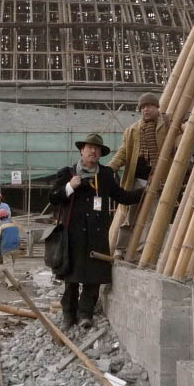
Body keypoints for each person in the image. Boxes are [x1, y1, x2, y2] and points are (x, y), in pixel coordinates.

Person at [49, 133, 143, 329]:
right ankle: (68, 315)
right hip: (72, 235)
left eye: (96, 148)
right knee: (71, 279)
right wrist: (69, 187)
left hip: (97, 235)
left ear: (100, 153)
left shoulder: (106, 175)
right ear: (81, 150)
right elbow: (53, 198)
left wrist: (146, 190)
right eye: (89, 147)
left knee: (93, 278)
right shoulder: (67, 173)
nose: (92, 151)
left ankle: (85, 314)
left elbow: (123, 197)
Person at [108, 92, 167, 260]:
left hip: (157, 179)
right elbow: (123, 152)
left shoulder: (167, 125)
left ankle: (144, 253)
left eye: (149, 106)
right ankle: (121, 249)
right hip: (137, 180)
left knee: (153, 219)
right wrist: (111, 167)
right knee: (130, 217)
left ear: (157, 107)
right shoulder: (133, 130)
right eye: (142, 107)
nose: (145, 110)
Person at [0, 208, 20, 288]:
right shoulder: (15, 224)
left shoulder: (1, 226)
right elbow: (17, 236)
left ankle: (11, 284)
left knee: (8, 266)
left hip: (6, 248)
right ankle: (9, 281)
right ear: (7, 216)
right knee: (11, 265)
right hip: (16, 248)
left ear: (0, 218)